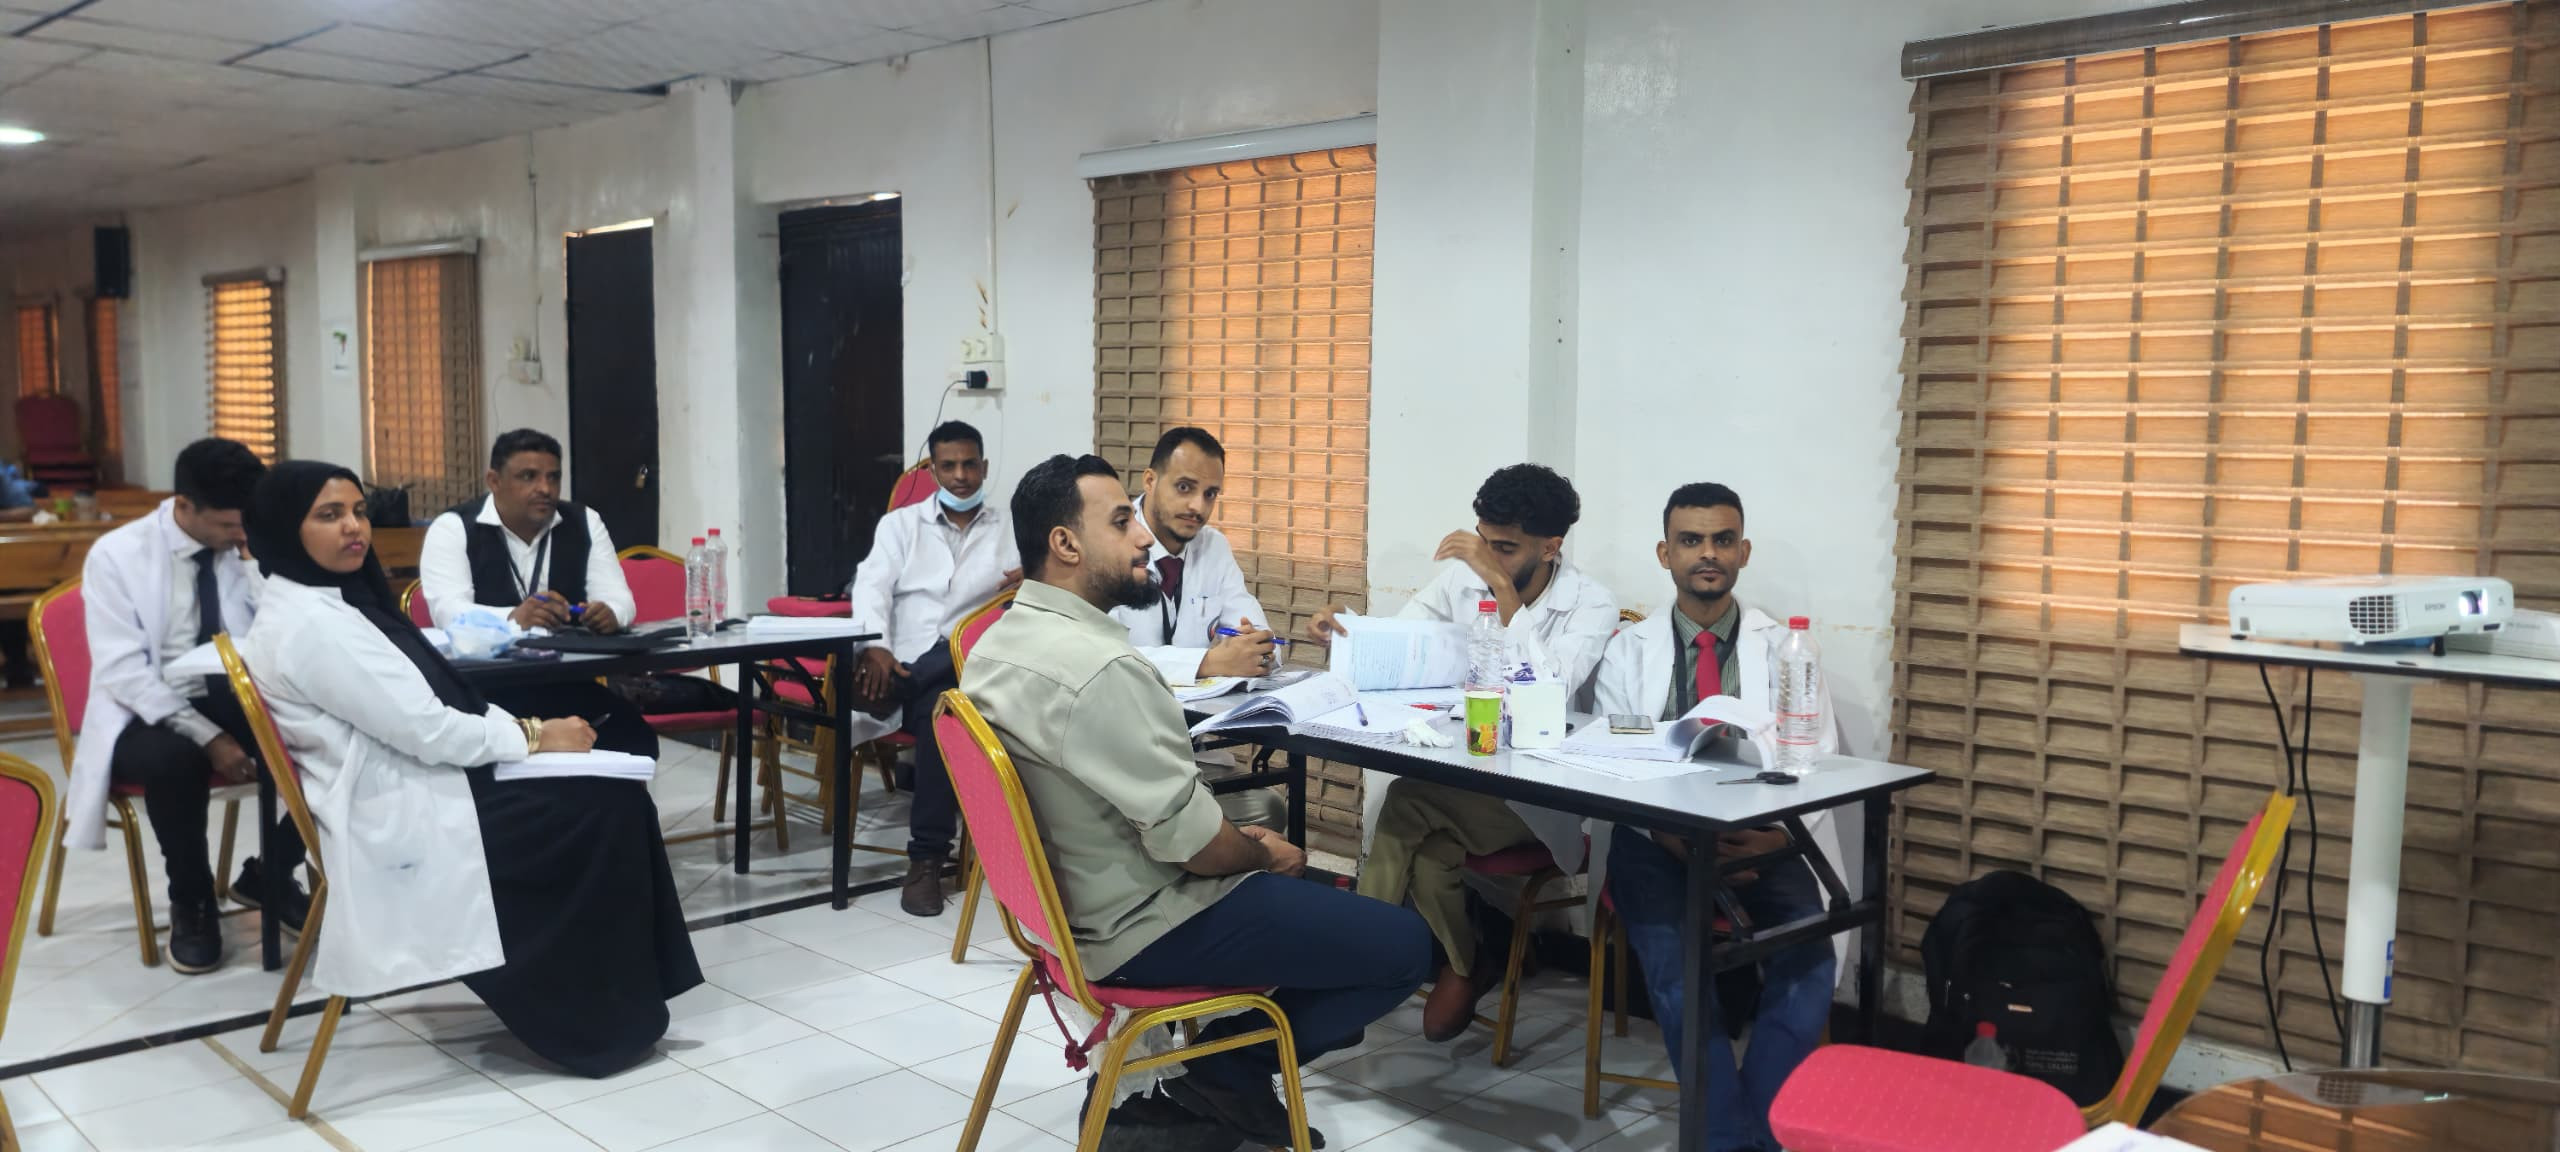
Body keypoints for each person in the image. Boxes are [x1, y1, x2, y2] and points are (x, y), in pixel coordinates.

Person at [963, 453, 1429, 1149]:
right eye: (1120, 522)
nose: (1142, 538)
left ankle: (1221, 1072)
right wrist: (1262, 855)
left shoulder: (995, 644)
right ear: (1065, 544)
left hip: (1064, 917)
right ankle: (1229, 1068)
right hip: (1142, 924)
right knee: (1403, 947)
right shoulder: (1103, 671)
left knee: (1323, 909)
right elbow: (1199, 850)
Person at [238, 461, 701, 1078]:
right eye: (329, 515)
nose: (354, 528)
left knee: (609, 789)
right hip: (395, 809)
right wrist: (536, 736)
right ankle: (591, 1022)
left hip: (412, 778)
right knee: (601, 808)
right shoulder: (312, 625)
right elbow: (425, 729)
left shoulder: (326, 600)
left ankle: (617, 1000)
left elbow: (430, 710)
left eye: (358, 511)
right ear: (283, 528)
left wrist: (529, 736)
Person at [1594, 482, 1843, 1152]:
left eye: (1722, 540)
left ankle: (1750, 1130)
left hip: (1763, 835)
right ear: (1665, 553)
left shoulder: (1788, 649)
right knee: (1678, 974)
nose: (1708, 553)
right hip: (1656, 837)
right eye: (1691, 540)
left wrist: (1773, 834)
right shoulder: (1628, 650)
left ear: (1743, 551)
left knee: (1810, 957)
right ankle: (1730, 1140)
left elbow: (1818, 753)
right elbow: (1614, 757)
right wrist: (1665, 832)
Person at [1328, 463, 1618, 1040]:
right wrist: (1349, 636)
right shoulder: (1462, 580)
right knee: (1430, 855)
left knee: (1406, 801)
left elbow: (1550, 687)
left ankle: (1352, 969)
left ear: (1551, 547)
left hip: (1540, 793)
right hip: (1468, 775)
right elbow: (1405, 639)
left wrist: (1503, 591)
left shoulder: (1592, 605)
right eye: (1483, 542)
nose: (1485, 559)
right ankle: (1469, 961)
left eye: (1504, 549)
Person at [65, 438, 307, 973]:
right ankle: (192, 901)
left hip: (236, 692)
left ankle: (270, 873)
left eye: (246, 523)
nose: (239, 535)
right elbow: (123, 672)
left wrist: (254, 565)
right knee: (175, 760)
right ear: (184, 506)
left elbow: (285, 630)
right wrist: (210, 738)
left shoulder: (250, 543)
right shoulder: (118, 555)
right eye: (227, 525)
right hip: (145, 708)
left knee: (334, 734)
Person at [847, 420, 1021, 917]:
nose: (960, 476)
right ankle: (926, 858)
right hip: (903, 658)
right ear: (933, 471)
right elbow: (871, 588)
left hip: (973, 662)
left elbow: (1036, 592)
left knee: (945, 682)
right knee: (941, 711)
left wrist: (1033, 576)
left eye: (970, 465)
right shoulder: (900, 526)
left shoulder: (1011, 528)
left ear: (984, 466)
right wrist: (875, 647)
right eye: (949, 466)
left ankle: (925, 861)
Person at [419, 429, 655, 757]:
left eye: (553, 477)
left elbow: (621, 600)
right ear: (494, 480)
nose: (545, 488)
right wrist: (513, 618)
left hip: (567, 683)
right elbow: (449, 614)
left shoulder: (584, 521)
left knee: (635, 739)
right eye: (528, 477)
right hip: (487, 692)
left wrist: (610, 613)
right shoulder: (453, 528)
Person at [1104, 427, 1284, 830]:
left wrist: (1260, 649)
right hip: (1122, 753)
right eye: (1185, 487)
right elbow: (1110, 659)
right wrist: (1209, 662)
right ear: (1150, 481)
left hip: (1189, 750)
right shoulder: (1110, 545)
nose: (1197, 506)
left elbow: (1254, 627)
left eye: (1210, 494)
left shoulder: (1212, 546)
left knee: (1269, 809)